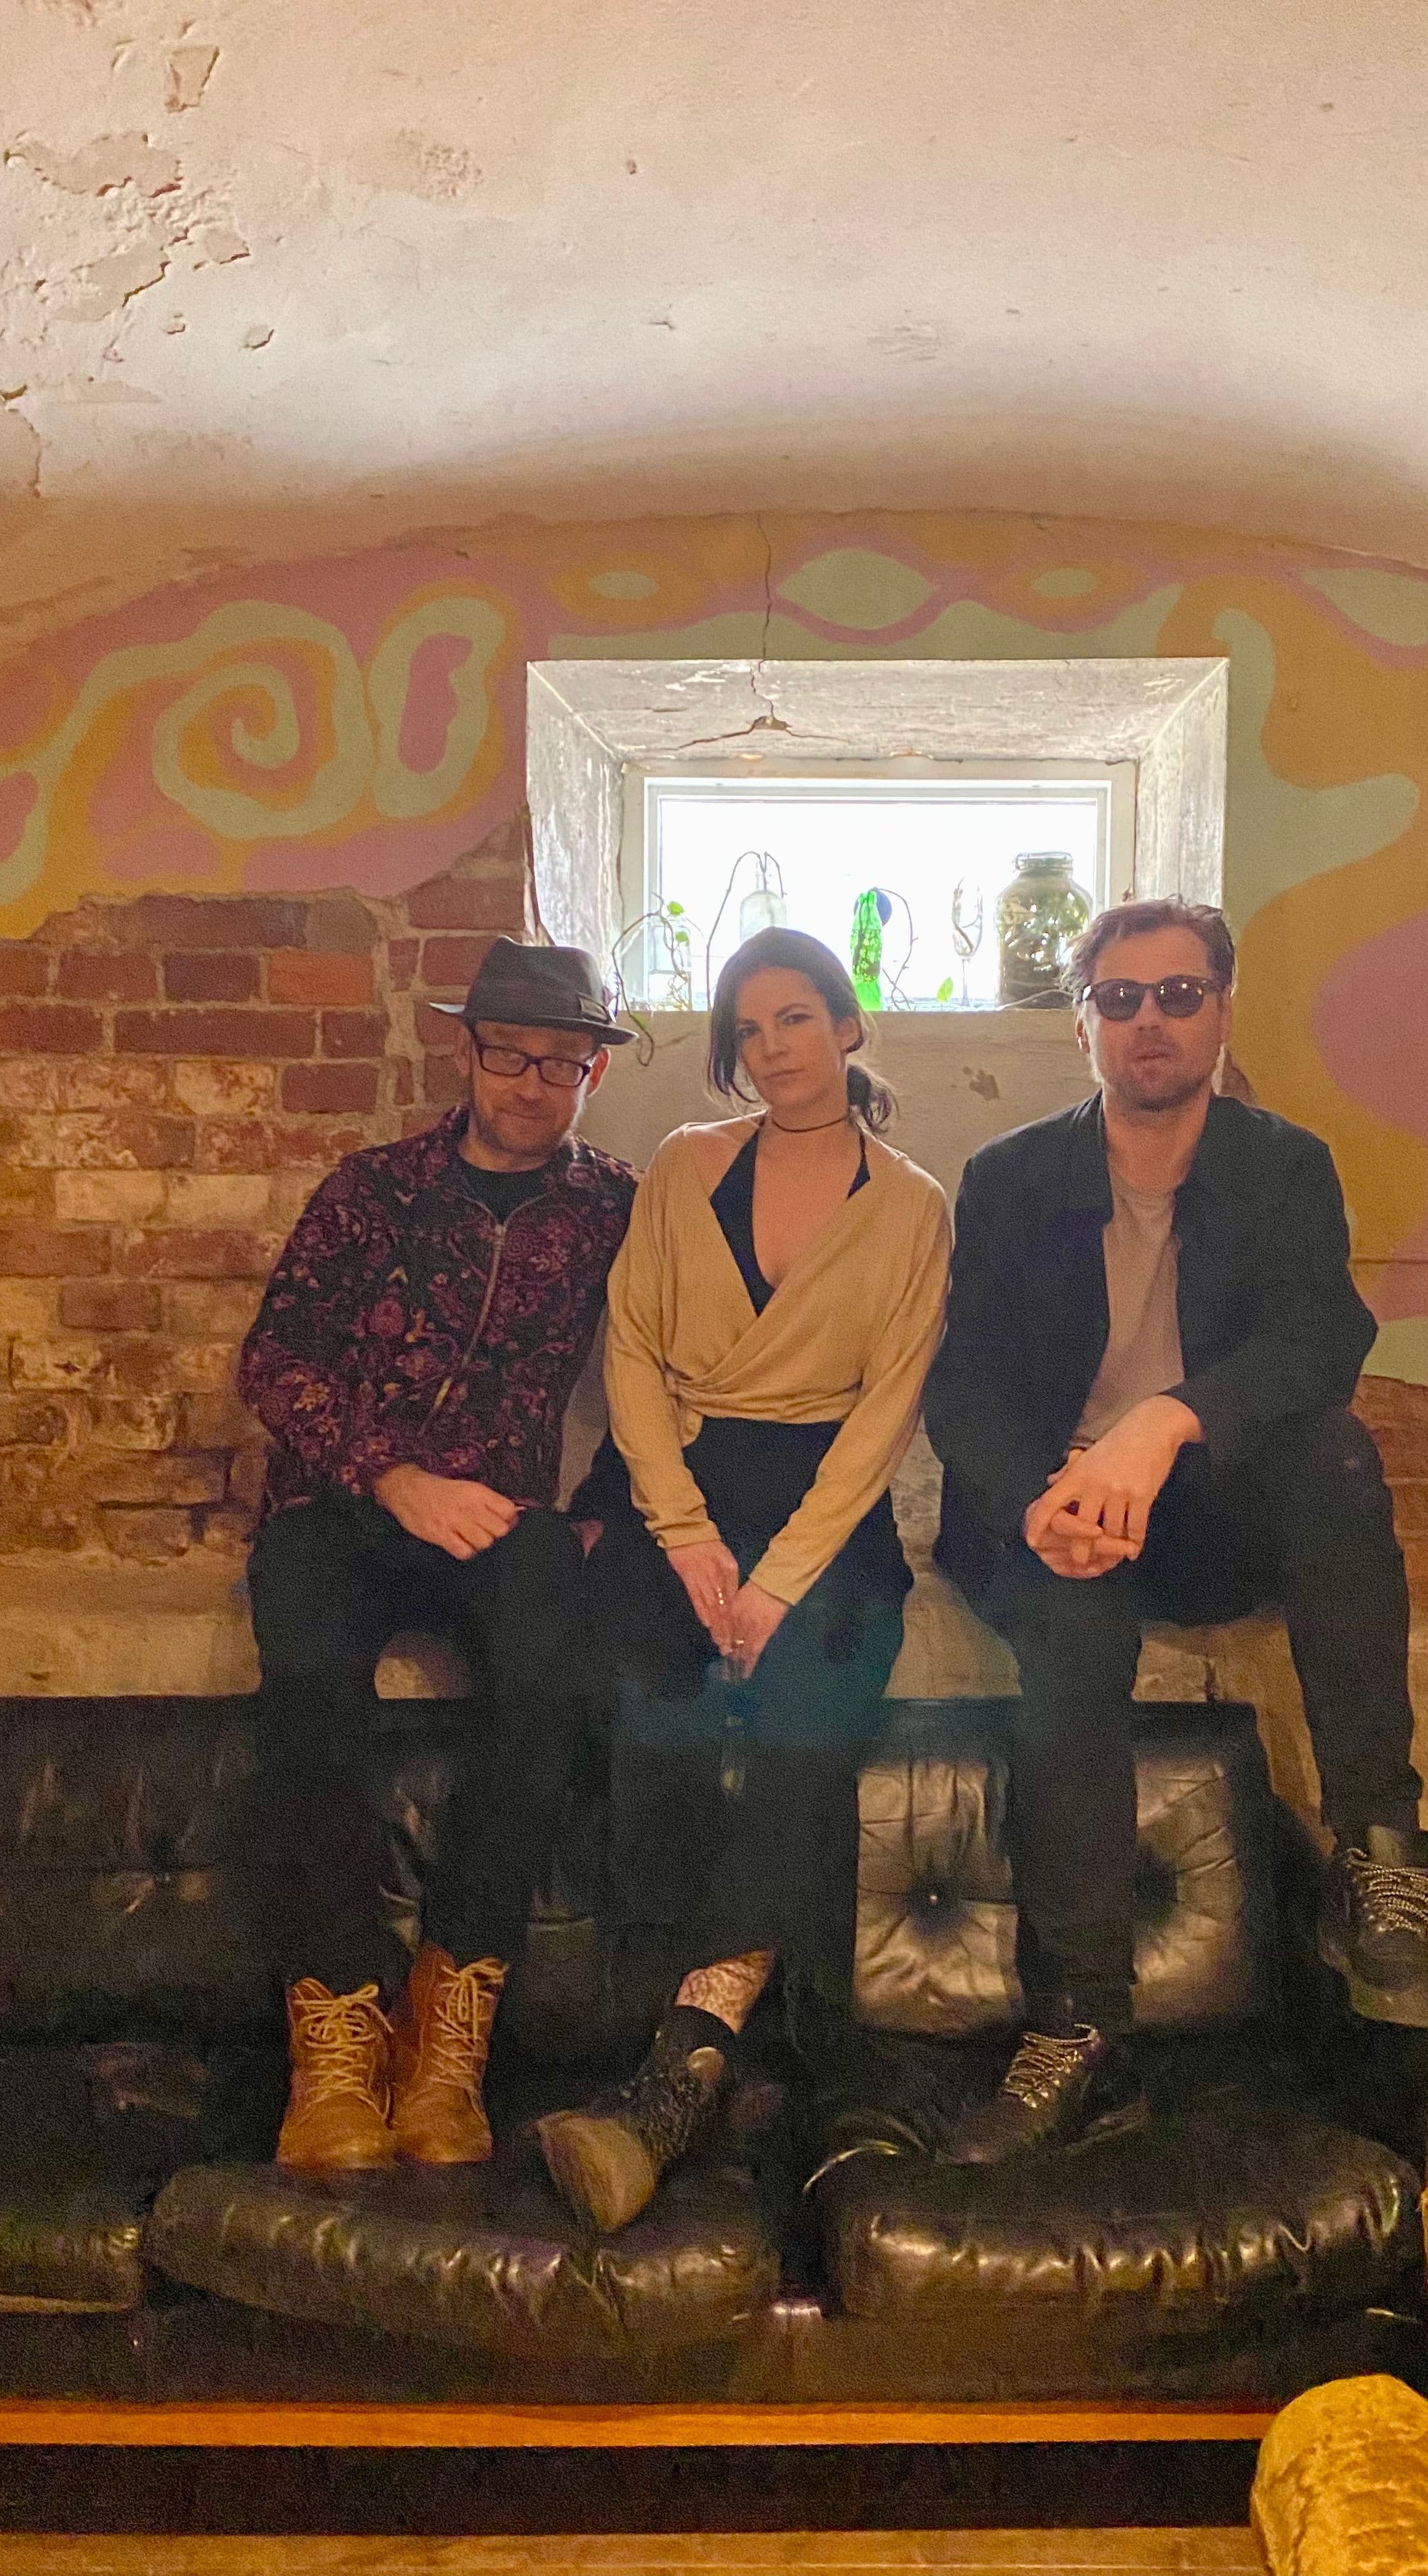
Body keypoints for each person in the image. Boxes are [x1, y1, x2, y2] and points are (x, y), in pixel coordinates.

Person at [924, 897, 1428, 2165]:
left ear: (1222, 1011)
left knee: (1336, 1456)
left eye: (1179, 994)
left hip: (1202, 1501)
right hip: (1050, 1507)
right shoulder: (1011, 1178)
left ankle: (1383, 1864)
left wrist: (1166, 1421)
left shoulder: (1283, 1167)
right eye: (1120, 999)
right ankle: (1080, 2028)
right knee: (1070, 1623)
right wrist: (1041, 1501)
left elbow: (1321, 1343)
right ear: (1084, 1026)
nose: (1150, 1021)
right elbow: (965, 1386)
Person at [533, 929, 951, 2234]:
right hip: (678, 1486)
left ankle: (678, 2076)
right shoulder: (684, 1165)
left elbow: (885, 1415)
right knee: (638, 1707)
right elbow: (633, 1351)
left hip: (827, 1510)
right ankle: (717, 2059)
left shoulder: (914, 1208)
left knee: (804, 1734)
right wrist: (684, 1536)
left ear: (849, 1026)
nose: (774, 1048)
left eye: (797, 1018)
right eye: (749, 1029)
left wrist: (774, 1587)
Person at [238, 939, 639, 2173]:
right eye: (511, 1056)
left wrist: (603, 1506)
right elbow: (274, 1360)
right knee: (311, 1690)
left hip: (497, 1517)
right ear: (465, 1052)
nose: (533, 1084)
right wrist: (393, 1477)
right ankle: (337, 2036)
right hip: (341, 1505)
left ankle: (452, 2033)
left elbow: (671, 1365)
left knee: (551, 1678)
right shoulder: (372, 1190)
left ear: (592, 1075)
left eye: (563, 1064)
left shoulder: (617, 1206)